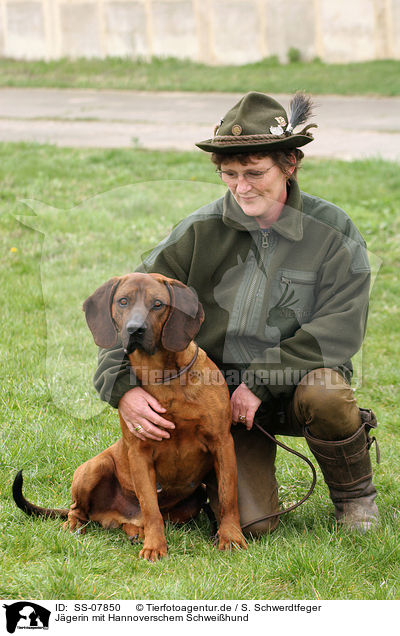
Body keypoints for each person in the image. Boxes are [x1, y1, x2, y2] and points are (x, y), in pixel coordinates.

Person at [93, 92, 379, 534]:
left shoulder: (334, 232)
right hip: (217, 401)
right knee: (253, 525)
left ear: (290, 164)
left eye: (255, 173)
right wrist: (122, 387)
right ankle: (211, 487)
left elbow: (339, 329)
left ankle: (355, 499)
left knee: (328, 392)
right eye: (230, 174)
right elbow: (129, 309)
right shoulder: (195, 232)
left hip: (298, 381)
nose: (242, 187)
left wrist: (262, 380)